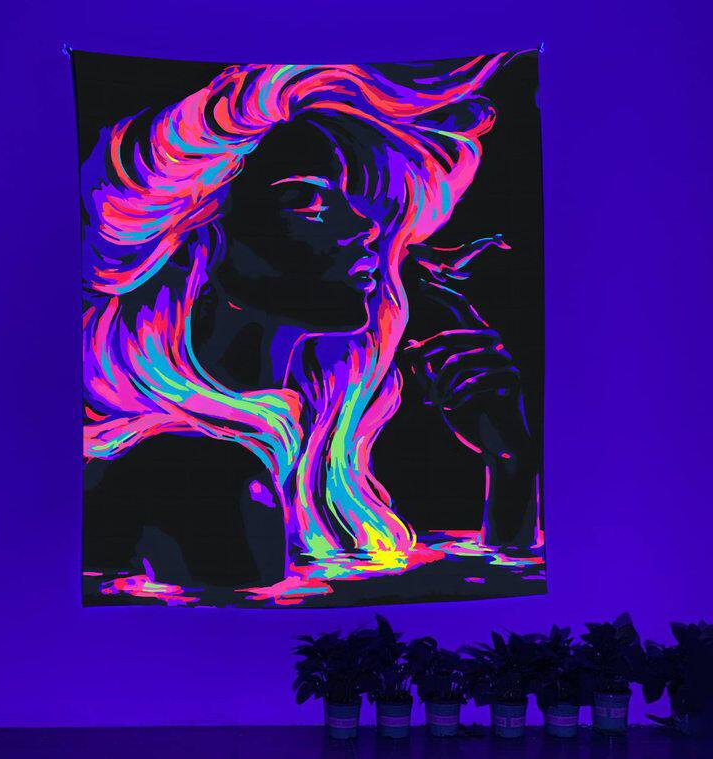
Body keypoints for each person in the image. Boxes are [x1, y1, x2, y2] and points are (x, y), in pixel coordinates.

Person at [81, 57, 540, 598]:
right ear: (195, 241)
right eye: (306, 198)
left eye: (365, 201)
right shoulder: (202, 474)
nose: (368, 227)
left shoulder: (291, 466)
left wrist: (510, 464)